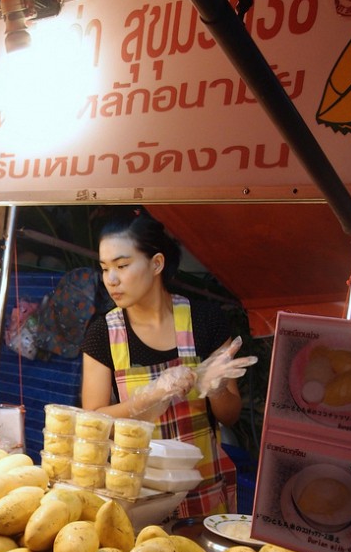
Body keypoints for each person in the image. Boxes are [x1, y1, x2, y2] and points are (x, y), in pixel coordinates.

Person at [81, 207, 257, 518]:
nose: (111, 279)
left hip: (204, 494)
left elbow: (229, 415)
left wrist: (214, 388)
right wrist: (151, 395)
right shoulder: (102, 333)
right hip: (141, 497)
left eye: (122, 265)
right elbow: (94, 424)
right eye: (105, 267)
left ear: (157, 263)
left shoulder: (205, 321)